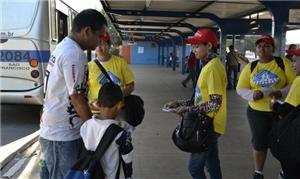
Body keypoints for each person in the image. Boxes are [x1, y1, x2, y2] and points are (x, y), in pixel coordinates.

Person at [39, 9, 107, 179]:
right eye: (99, 36)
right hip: (61, 135)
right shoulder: (74, 54)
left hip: (60, 130)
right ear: (87, 31)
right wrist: (93, 131)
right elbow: (77, 99)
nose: (100, 42)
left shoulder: (64, 47)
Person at [165, 28, 227, 179]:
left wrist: (188, 108)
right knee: (212, 163)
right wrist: (179, 103)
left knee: (194, 168)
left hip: (208, 125)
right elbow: (201, 98)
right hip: (210, 123)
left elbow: (214, 103)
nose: (193, 50)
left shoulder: (212, 68)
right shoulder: (208, 65)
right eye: (192, 47)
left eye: (197, 46)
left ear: (209, 46)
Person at [236, 34, 296, 179]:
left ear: (273, 49)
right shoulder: (251, 67)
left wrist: (280, 93)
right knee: (259, 142)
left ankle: (284, 170)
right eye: (259, 46)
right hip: (257, 112)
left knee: (284, 142)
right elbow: (241, 88)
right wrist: (252, 94)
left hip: (279, 110)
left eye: (266, 46)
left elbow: (294, 83)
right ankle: (258, 172)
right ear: (256, 48)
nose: (262, 49)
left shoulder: (283, 63)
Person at [80, 82, 133, 179]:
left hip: (89, 174)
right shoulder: (120, 133)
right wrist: (128, 176)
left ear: (97, 103)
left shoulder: (85, 126)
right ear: (120, 105)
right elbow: (127, 158)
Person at [270, 48, 300, 179]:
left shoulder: (299, 81)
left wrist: (274, 105)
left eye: (295, 61)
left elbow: (287, 110)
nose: (292, 65)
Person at [88, 31, 135, 105]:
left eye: (102, 43)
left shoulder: (120, 62)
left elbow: (131, 85)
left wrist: (115, 98)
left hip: (116, 110)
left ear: (109, 45)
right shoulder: (89, 66)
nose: (99, 47)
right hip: (95, 110)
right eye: (97, 43)